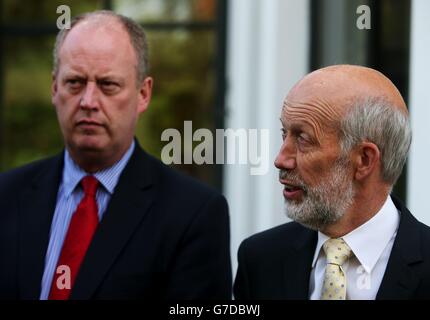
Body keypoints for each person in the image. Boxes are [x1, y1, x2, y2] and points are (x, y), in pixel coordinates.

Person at [0, 10, 231, 300]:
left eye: (108, 85)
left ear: (143, 94)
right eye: (75, 83)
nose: (88, 101)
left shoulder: (192, 215)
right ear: (54, 88)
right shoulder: (7, 197)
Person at [234, 65, 430, 300]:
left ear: (364, 160)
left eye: (303, 139)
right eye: (284, 134)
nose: (280, 160)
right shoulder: (260, 259)